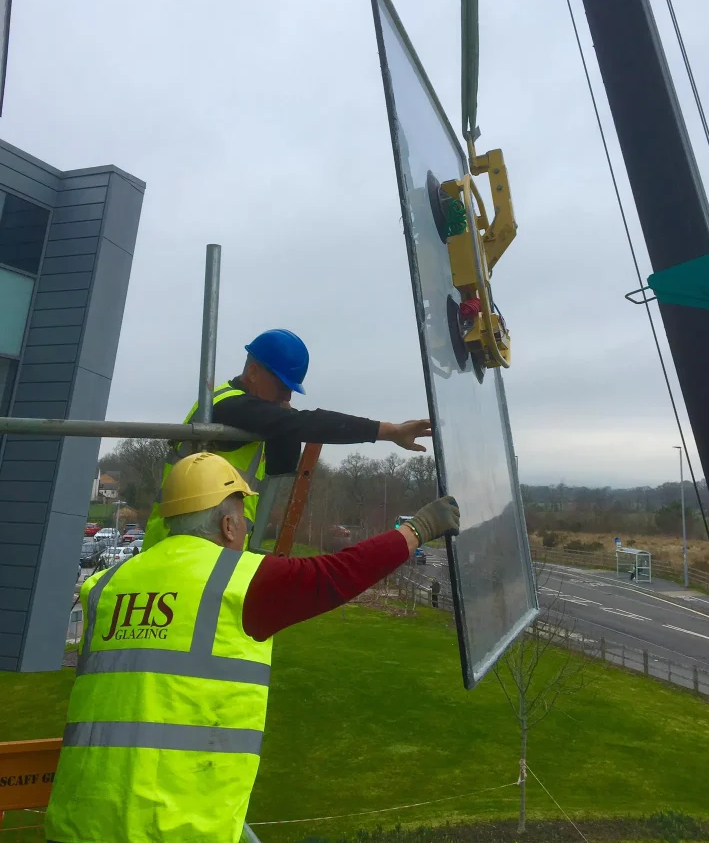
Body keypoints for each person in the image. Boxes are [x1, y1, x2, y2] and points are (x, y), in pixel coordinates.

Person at [45, 452, 460, 843]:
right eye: (242, 516)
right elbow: (338, 574)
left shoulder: (107, 585)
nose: (245, 528)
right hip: (174, 826)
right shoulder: (238, 581)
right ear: (228, 525)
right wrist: (418, 529)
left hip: (81, 817)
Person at [142, 329, 431, 551]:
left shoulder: (252, 413)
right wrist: (390, 431)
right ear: (253, 372)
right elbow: (305, 425)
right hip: (180, 545)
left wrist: (284, 418)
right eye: (282, 386)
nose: (287, 396)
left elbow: (282, 464)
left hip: (214, 546)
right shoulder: (228, 406)